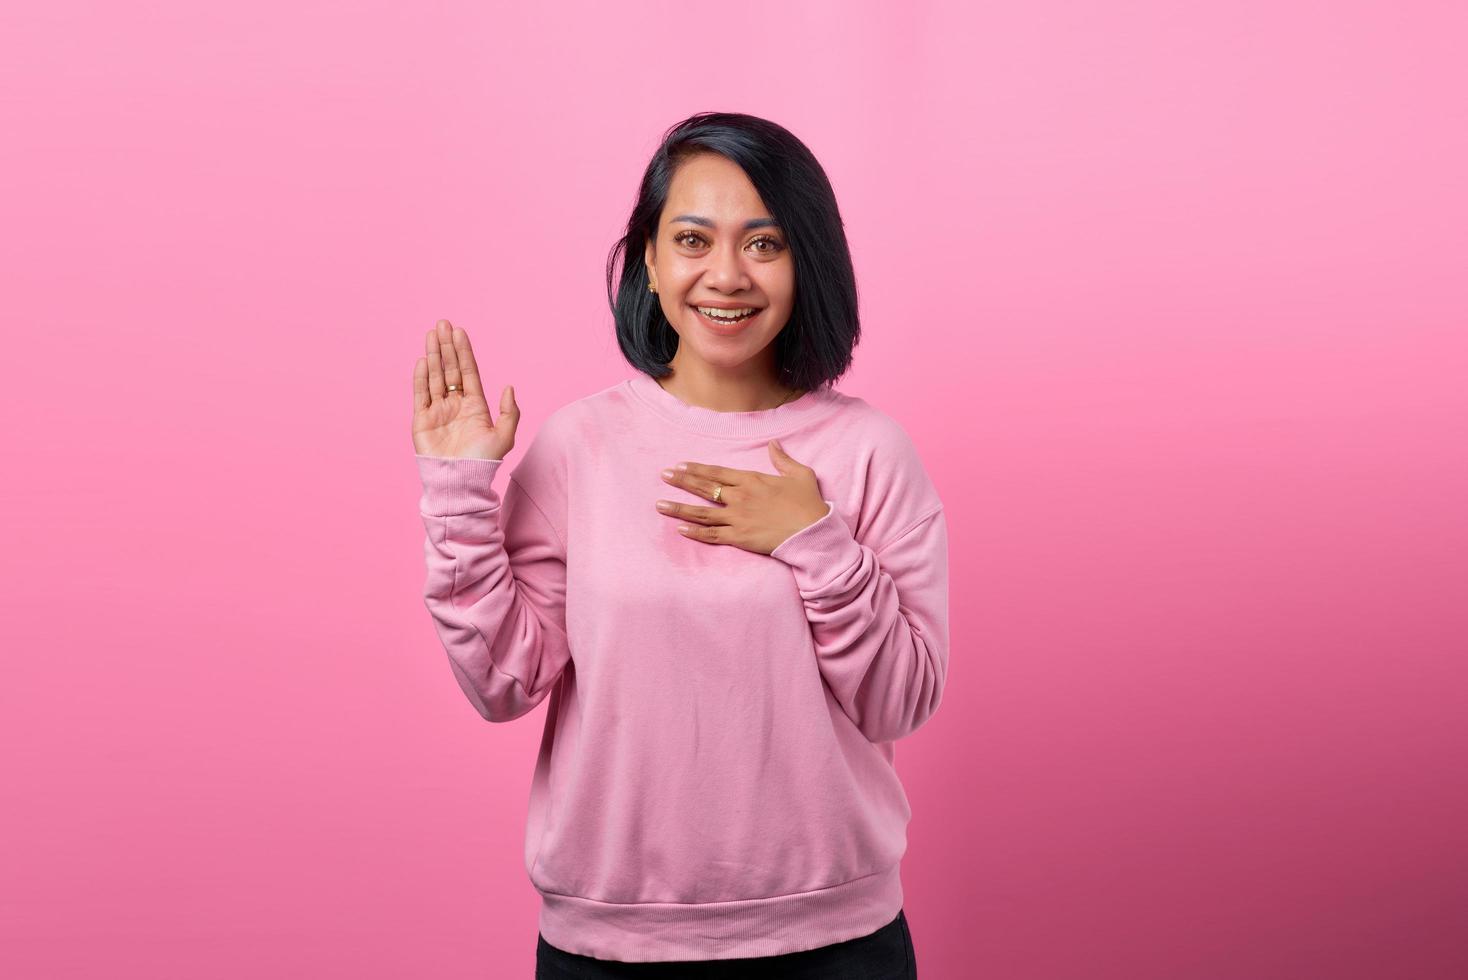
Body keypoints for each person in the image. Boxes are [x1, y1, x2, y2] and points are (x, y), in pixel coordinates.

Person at [410, 112, 945, 978]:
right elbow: (503, 685)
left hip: (838, 943)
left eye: (764, 243)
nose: (725, 275)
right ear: (650, 262)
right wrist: (459, 491)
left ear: (807, 260)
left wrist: (818, 542)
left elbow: (902, 704)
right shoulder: (580, 448)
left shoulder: (870, 452)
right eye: (692, 239)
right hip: (609, 947)